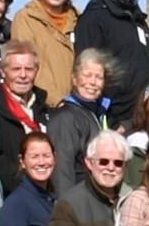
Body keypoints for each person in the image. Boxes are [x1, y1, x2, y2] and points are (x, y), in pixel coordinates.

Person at [12, 0, 81, 103]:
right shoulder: (26, 19)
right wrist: (58, 102)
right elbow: (26, 66)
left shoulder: (80, 20)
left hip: (78, 110)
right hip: (41, 107)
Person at [48, 50, 117, 195]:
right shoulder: (66, 117)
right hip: (78, 203)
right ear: (74, 79)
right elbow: (62, 170)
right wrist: (67, 209)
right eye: (87, 75)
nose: (92, 82)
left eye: (98, 77)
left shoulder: (99, 113)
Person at [0, 39, 52, 142]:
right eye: (16, 69)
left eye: (29, 69)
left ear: (36, 71)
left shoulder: (45, 108)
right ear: (3, 72)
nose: (23, 75)